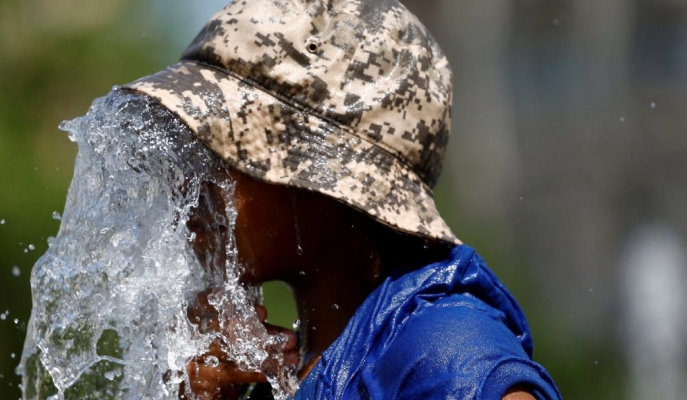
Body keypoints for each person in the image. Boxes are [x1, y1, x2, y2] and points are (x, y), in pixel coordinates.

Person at [120, 0, 562, 398]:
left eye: (221, 152)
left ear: (327, 177)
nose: (190, 190)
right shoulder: (302, 369)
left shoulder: (443, 358)